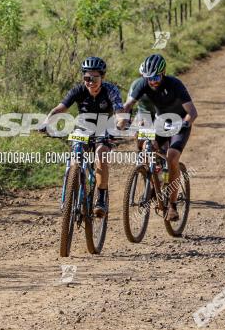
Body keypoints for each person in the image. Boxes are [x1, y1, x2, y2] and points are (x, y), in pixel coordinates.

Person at [41, 57, 123, 217]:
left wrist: (119, 126)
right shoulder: (78, 90)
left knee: (101, 155)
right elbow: (60, 109)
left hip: (104, 126)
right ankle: (72, 191)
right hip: (84, 126)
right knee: (75, 156)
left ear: (102, 77)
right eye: (87, 78)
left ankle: (100, 198)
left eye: (94, 78)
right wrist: (46, 121)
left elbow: (120, 113)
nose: (90, 81)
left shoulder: (111, 90)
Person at [120, 54, 197, 222]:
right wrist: (122, 119)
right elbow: (128, 105)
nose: (152, 81)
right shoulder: (142, 83)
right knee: (148, 145)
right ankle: (156, 178)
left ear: (163, 73)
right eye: (149, 78)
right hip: (161, 122)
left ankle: (172, 205)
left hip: (179, 122)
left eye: (156, 77)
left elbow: (192, 112)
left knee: (172, 157)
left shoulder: (175, 84)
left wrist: (186, 123)